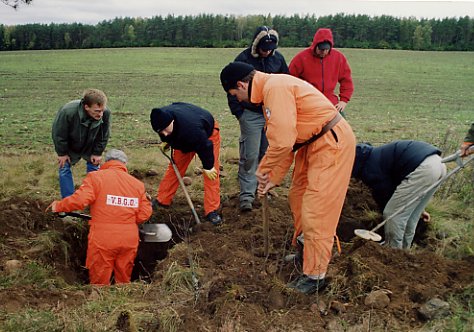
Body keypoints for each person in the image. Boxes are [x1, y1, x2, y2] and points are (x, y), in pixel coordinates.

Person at [220, 62, 356, 295]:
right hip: (311, 145)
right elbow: (287, 141)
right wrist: (272, 177)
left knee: (316, 210)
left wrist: (263, 169)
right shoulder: (269, 92)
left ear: (241, 85)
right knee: (297, 197)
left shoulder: (275, 87)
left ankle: (315, 275)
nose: (239, 100)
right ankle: (306, 248)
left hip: (330, 143)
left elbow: (282, 142)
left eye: (236, 94)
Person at [47, 149, 152, 285]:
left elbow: (79, 201)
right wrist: (126, 221)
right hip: (129, 238)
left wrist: (59, 206)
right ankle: (124, 301)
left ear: (105, 162)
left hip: (103, 238)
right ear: (124, 164)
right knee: (124, 278)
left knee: (100, 279)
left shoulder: (96, 178)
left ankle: (100, 301)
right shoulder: (137, 185)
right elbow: (144, 214)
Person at [227, 26, 289, 212]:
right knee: (250, 155)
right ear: (256, 45)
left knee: (267, 153)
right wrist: (239, 112)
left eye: (270, 49)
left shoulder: (278, 59)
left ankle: (262, 189)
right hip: (250, 114)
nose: (267, 52)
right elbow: (231, 88)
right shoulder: (243, 59)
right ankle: (246, 195)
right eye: (264, 48)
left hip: (271, 113)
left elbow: (285, 81)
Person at [351, 141, 447, 249]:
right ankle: (405, 252)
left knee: (393, 214)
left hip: (424, 168)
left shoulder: (369, 167)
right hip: (440, 164)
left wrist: (386, 210)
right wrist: (420, 209)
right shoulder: (378, 154)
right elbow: (401, 190)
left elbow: (384, 193)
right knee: (411, 217)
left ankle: (393, 252)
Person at [150, 102, 222, 225]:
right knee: (175, 168)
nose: (165, 134)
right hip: (184, 137)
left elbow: (206, 146)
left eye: (166, 130)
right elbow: (165, 131)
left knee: (211, 174)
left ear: (172, 121)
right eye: (161, 132)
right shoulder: (161, 118)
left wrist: (208, 167)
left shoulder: (192, 129)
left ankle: (212, 210)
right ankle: (163, 200)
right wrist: (167, 141)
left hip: (207, 135)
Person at [52, 88, 111, 198]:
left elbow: (103, 135)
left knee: (94, 167)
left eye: (102, 110)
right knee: (64, 167)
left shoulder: (105, 113)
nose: (101, 114)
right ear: (86, 107)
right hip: (70, 144)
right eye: (97, 111)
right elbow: (59, 134)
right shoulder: (67, 112)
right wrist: (62, 153)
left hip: (91, 143)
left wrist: (97, 152)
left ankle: (93, 199)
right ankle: (68, 203)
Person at [289, 28, 353, 115]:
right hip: (307, 102)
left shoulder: (338, 58)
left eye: (326, 49)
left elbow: (346, 80)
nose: (324, 52)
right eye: (321, 49)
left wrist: (343, 100)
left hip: (330, 102)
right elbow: (290, 80)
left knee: (342, 125)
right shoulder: (301, 58)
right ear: (315, 45)